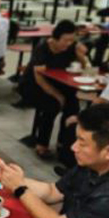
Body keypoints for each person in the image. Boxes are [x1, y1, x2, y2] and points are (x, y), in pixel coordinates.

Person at [18, 20, 89, 158]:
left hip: (59, 83)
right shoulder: (43, 48)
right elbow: (38, 77)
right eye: (65, 40)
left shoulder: (71, 47)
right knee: (52, 105)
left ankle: (64, 144)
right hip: (34, 85)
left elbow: (85, 66)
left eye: (72, 40)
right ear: (56, 37)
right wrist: (58, 96)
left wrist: (81, 55)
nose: (68, 43)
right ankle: (41, 144)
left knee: (73, 106)